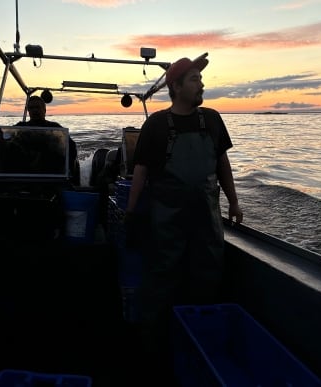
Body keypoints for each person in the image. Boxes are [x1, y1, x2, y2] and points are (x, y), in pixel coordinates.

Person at [124, 54, 243, 371]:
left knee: (207, 277)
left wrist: (233, 200)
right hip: (167, 223)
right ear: (175, 86)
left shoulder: (213, 120)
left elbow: (222, 165)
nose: (201, 83)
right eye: (194, 78)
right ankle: (152, 349)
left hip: (207, 222)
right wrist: (132, 213)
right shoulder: (157, 125)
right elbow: (141, 171)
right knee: (161, 279)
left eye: (201, 78)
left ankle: (198, 340)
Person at [16, 95, 80, 185]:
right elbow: (7, 137)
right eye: (31, 108)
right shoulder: (20, 127)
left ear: (44, 110)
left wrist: (68, 173)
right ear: (28, 111)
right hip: (28, 173)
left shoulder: (55, 127)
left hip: (51, 173)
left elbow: (71, 147)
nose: (35, 110)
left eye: (38, 107)